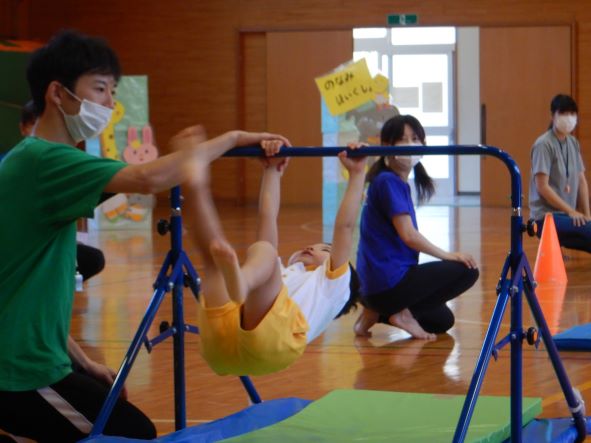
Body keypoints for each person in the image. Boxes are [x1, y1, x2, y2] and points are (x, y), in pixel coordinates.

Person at [0, 29, 288, 442]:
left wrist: (82, 361)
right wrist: (232, 139)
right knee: (132, 435)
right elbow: (148, 177)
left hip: (38, 359)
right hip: (18, 375)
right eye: (100, 89)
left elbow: (29, 295)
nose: (109, 103)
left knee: (118, 413)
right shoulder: (45, 161)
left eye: (113, 92)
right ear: (58, 93)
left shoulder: (40, 159)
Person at [181, 140, 365, 376]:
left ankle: (241, 282)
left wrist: (357, 174)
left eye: (325, 250)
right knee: (213, 257)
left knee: (265, 251)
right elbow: (267, 216)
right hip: (222, 349)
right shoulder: (285, 275)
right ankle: (194, 183)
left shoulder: (334, 286)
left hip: (278, 342)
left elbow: (345, 227)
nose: (313, 247)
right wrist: (272, 170)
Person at [354, 114, 479, 340]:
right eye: (402, 139)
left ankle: (375, 312)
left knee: (442, 320)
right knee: (467, 271)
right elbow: (409, 236)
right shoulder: (388, 181)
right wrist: (448, 255)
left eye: (415, 139)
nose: (410, 144)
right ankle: (400, 314)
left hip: (373, 290)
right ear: (386, 146)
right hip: (387, 283)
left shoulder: (391, 181)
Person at [19, 99, 106, 284]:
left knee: (93, 259)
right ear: (23, 128)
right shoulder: (17, 161)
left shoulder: (61, 162)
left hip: (47, 241)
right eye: (34, 124)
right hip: (22, 245)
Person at [528, 94, 591, 252]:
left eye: (572, 113)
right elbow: (542, 187)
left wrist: (587, 214)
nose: (568, 118)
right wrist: (571, 211)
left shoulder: (573, 142)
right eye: (563, 113)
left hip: (568, 215)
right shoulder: (543, 144)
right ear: (552, 115)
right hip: (546, 217)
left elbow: (581, 180)